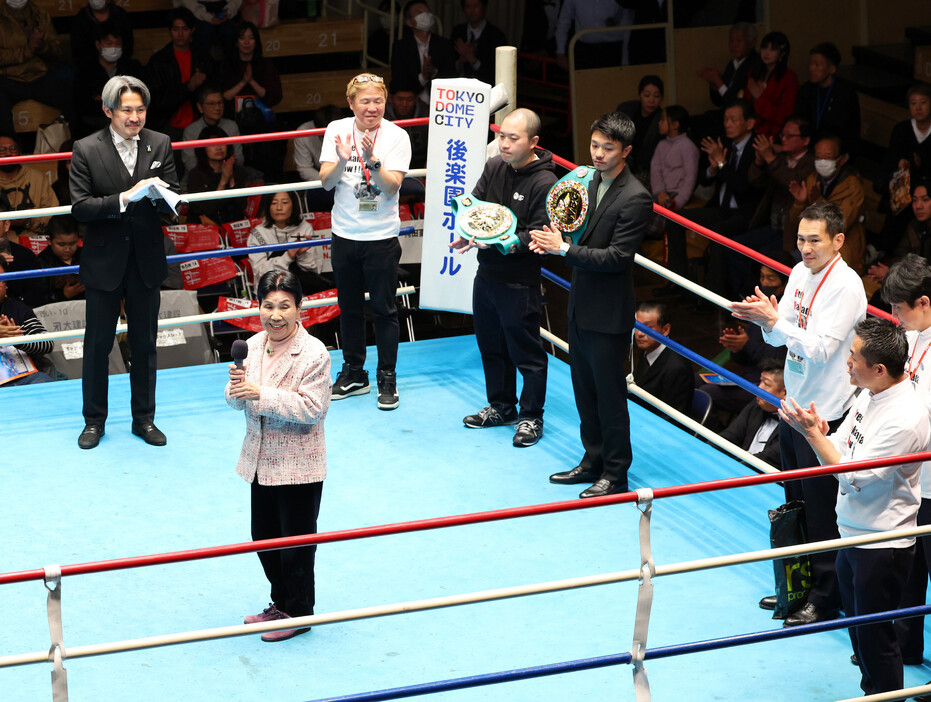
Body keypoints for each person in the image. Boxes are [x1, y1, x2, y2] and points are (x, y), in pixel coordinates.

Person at [730, 201, 867, 627]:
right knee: (796, 505)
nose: (805, 248)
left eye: (814, 241)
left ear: (837, 241)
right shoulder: (798, 274)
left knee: (823, 511)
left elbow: (823, 347)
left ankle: (826, 599)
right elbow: (779, 337)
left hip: (826, 417)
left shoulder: (846, 286)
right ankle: (798, 587)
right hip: (794, 406)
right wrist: (765, 320)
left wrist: (778, 322)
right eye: (800, 240)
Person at [779, 317, 930, 696]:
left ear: (879, 369)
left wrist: (814, 435)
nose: (846, 362)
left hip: (882, 546)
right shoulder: (869, 394)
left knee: (877, 641)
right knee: (860, 637)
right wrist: (822, 436)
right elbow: (843, 443)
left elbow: (850, 475)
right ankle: (871, 694)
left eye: (853, 356)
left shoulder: (906, 420)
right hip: (852, 532)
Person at [530, 110, 652, 498]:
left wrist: (564, 249)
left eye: (608, 148)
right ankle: (592, 460)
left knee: (610, 396)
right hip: (580, 304)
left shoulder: (636, 197)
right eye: (595, 145)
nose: (598, 154)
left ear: (627, 151)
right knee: (583, 389)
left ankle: (616, 474)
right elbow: (571, 232)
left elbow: (618, 258)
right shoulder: (586, 181)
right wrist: (552, 243)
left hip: (609, 312)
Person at [70, 75, 180, 450]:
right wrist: (124, 198)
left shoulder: (160, 142)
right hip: (104, 260)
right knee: (97, 345)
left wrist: (168, 202)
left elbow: (174, 195)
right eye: (127, 110)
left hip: (146, 258)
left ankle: (144, 419)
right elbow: (80, 206)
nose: (135, 117)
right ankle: (93, 422)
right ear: (108, 110)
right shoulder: (85, 148)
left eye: (140, 109)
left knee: (145, 344)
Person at [225, 270, 331, 643]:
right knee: (264, 537)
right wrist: (236, 389)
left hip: (299, 465)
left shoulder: (315, 353)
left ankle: (300, 612)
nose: (275, 314)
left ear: (300, 308)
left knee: (296, 544)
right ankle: (280, 603)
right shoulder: (253, 345)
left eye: (284, 306)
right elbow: (235, 397)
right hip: (259, 459)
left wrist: (258, 393)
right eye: (268, 305)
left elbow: (312, 408)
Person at [452, 108, 556, 447]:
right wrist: (469, 232)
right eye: (501, 136)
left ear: (533, 142)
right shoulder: (495, 165)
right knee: (490, 344)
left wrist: (509, 243)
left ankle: (531, 417)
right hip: (486, 273)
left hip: (519, 280)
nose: (505, 144)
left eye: (514, 138)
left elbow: (541, 233)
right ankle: (501, 406)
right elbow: (476, 207)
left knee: (526, 351)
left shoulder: (545, 182)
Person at [320, 73, 411, 410]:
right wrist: (344, 159)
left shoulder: (397, 136)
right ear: (351, 103)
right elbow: (326, 183)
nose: (372, 108)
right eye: (365, 101)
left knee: (385, 310)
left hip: (381, 238)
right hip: (344, 235)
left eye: (378, 101)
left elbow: (390, 187)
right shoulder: (336, 130)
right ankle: (354, 372)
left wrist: (372, 161)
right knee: (350, 309)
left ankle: (387, 376)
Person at [881, 254, 931, 672]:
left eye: (899, 307)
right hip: (911, 480)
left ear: (925, 302)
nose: (894, 316)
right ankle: (905, 651)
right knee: (909, 572)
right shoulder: (912, 336)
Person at [785, 134, 865, 273]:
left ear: (841, 159)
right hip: (810, 244)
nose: (822, 162)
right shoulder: (812, 179)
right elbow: (793, 221)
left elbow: (841, 224)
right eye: (818, 157)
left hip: (840, 250)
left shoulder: (853, 185)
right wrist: (800, 202)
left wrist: (818, 200)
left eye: (828, 157)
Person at [873, 83, 931, 255]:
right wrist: (901, 165)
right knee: (900, 206)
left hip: (928, 187)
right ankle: (884, 252)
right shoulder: (902, 129)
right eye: (913, 103)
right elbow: (889, 161)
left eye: (923, 102)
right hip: (905, 187)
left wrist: (922, 163)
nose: (918, 108)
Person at [0, 0, 71, 138]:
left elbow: (57, 51)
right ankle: (8, 152)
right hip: (9, 78)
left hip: (38, 76)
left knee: (71, 95)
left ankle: (70, 150)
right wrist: (28, 50)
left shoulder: (40, 14)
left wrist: (41, 46)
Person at [146, 8, 215, 137]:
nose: (180, 34)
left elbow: (213, 91)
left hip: (201, 123)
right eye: (175, 29)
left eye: (185, 29)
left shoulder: (204, 59)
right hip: (167, 125)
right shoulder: (158, 61)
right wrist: (189, 87)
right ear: (170, 31)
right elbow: (157, 101)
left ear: (192, 30)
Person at [247, 191, 330, 297]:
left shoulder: (304, 228)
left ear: (294, 205)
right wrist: (288, 256)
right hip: (270, 292)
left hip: (301, 292)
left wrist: (301, 255)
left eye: (285, 202)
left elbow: (314, 270)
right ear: (268, 207)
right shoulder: (258, 233)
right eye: (274, 203)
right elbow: (260, 272)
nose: (279, 208)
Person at [73, 22, 145, 139]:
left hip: (128, 126)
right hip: (93, 127)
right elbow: (82, 104)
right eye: (109, 43)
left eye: (117, 44)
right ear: (98, 45)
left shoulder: (132, 68)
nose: (113, 48)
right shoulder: (85, 70)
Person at [185, 124, 262, 225]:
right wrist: (223, 181)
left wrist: (231, 180)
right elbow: (204, 210)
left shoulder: (238, 171)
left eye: (222, 143)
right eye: (213, 144)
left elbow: (241, 207)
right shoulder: (196, 175)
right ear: (203, 148)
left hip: (232, 227)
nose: (219, 147)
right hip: (204, 230)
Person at [794, 43, 860, 159]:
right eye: (811, 64)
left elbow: (847, 131)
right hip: (809, 146)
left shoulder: (845, 92)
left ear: (832, 69)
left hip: (835, 149)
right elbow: (800, 118)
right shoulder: (807, 89)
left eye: (817, 65)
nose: (811, 68)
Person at [719, 357, 785, 467]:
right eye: (760, 381)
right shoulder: (756, 405)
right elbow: (731, 435)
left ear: (785, 392)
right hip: (740, 466)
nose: (759, 388)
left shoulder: (794, 425)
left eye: (766, 384)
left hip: (763, 477)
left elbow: (769, 458)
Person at [631, 301, 693, 416]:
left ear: (665, 330)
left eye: (647, 327)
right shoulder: (646, 351)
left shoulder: (677, 368)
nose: (639, 334)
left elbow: (672, 419)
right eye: (637, 326)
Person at [0, 255, 54, 386]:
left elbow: (47, 343)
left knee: (44, 382)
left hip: (23, 377)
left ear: (6, 283)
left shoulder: (18, 309)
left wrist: (18, 339)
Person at [390, 1, 456, 103]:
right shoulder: (401, 47)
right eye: (420, 12)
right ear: (409, 21)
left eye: (428, 11)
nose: (426, 15)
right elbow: (399, 81)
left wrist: (434, 71)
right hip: (411, 104)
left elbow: (451, 76)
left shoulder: (444, 44)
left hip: (440, 101)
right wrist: (423, 76)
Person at [0, 135, 59, 241]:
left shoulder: (37, 178)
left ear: (20, 152)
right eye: (2, 150)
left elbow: (54, 218)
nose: (8, 153)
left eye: (13, 148)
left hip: (34, 241)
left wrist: (29, 220)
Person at [181, 85, 244, 175]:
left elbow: (239, 159)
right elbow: (190, 164)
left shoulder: (231, 126)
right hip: (199, 180)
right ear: (200, 107)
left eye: (220, 103)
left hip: (230, 175)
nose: (217, 108)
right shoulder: (191, 131)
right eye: (211, 104)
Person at [697, 22, 760, 110]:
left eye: (739, 41)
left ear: (752, 43)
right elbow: (719, 101)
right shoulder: (732, 64)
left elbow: (738, 104)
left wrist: (718, 82)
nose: (735, 45)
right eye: (731, 41)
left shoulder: (756, 64)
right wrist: (714, 84)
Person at [554, 0, 629, 70]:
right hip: (585, 51)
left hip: (613, 50)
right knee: (585, 82)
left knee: (613, 82)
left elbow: (627, 18)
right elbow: (564, 21)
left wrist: (625, 58)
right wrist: (560, 52)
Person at [650, 105, 699, 212]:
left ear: (675, 125)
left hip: (676, 195)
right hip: (661, 193)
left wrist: (678, 202)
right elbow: (655, 170)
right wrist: (660, 191)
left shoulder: (687, 146)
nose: (659, 123)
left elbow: (690, 178)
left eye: (663, 119)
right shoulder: (661, 145)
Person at [616, 74, 664, 183]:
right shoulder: (628, 110)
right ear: (639, 95)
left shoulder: (661, 120)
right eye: (647, 95)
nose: (652, 100)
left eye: (656, 96)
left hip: (646, 169)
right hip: (623, 161)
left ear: (662, 98)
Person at [450, 0, 507, 85]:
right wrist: (460, 61)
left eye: (476, 6)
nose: (472, 11)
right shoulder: (457, 32)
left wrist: (472, 60)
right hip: (459, 87)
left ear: (484, 7)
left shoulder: (496, 36)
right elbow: (448, 68)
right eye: (468, 6)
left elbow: (496, 74)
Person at [37, 214, 85, 304]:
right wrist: (63, 295)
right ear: (49, 241)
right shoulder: (42, 262)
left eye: (73, 243)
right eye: (61, 245)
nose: (67, 249)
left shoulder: (85, 255)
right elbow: (37, 298)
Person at [71, 0, 134, 65]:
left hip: (119, 66)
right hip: (89, 68)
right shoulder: (80, 19)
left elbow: (128, 45)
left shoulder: (120, 15)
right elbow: (77, 51)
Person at [384, 77, 429, 170]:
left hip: (422, 164)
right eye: (400, 99)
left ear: (416, 98)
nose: (404, 104)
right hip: (389, 166)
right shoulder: (381, 115)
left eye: (409, 99)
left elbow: (435, 147)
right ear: (390, 98)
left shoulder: (427, 114)